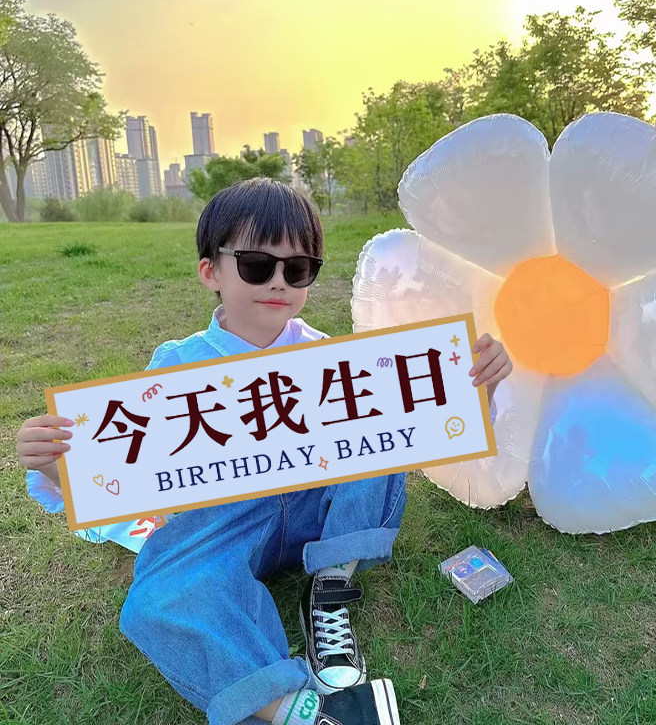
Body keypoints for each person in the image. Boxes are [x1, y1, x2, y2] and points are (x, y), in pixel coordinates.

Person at [16, 178, 512, 725]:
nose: (278, 281)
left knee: (380, 438)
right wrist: (57, 466)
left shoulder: (332, 360)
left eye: (298, 269)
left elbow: (427, 426)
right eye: (256, 265)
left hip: (318, 511)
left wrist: (477, 388)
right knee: (158, 597)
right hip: (227, 522)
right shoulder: (175, 365)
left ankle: (330, 584)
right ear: (211, 271)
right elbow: (126, 470)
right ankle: (293, 710)